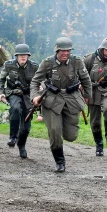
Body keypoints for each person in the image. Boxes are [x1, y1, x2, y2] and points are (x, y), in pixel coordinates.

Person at [30, 37, 92, 172]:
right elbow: (35, 82)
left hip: (72, 99)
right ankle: (60, 162)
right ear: (57, 50)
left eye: (68, 51)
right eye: (62, 51)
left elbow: (86, 80)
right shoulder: (47, 63)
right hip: (52, 100)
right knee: (54, 131)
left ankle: (63, 129)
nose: (65, 53)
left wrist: (87, 96)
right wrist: (35, 96)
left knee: (71, 136)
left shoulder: (77, 62)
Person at [0, 44, 39, 158]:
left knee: (26, 127)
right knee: (15, 108)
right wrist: (0, 93)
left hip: (28, 96)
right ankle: (13, 137)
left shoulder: (34, 66)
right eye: (20, 55)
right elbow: (0, 80)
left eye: (25, 55)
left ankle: (21, 145)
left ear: (28, 56)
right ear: (16, 56)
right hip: (13, 93)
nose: (23, 57)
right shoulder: (9, 65)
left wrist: (41, 87)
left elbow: (42, 79)